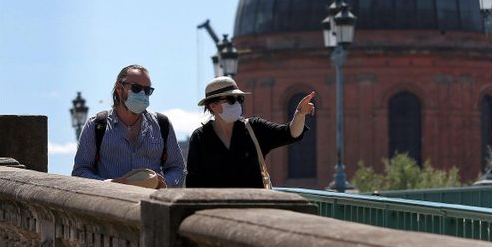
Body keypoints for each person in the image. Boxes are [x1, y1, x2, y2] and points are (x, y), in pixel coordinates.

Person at [186, 76, 314, 188]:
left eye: (239, 99)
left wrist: (299, 114)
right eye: (231, 100)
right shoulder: (200, 138)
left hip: (255, 210)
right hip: (217, 212)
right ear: (213, 105)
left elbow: (290, 133)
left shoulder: (255, 128)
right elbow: (193, 183)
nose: (236, 104)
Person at [72, 64, 186, 188]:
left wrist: (164, 184)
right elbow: (80, 171)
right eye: (136, 88)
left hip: (151, 205)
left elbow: (178, 168)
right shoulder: (96, 125)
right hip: (110, 204)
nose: (142, 94)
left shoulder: (162, 125)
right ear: (119, 88)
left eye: (147, 91)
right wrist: (106, 185)